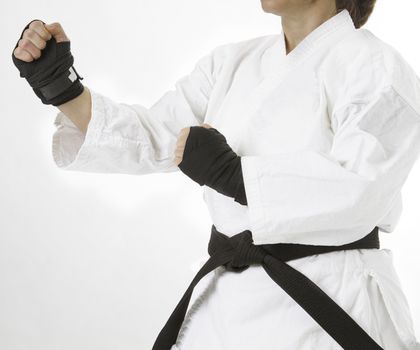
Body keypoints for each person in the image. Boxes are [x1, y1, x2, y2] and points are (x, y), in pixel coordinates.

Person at [11, 0, 420, 349]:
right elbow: (154, 138)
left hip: (331, 297)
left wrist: (234, 176)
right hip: (227, 306)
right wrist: (61, 87)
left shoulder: (374, 64)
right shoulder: (229, 63)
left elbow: (363, 186)